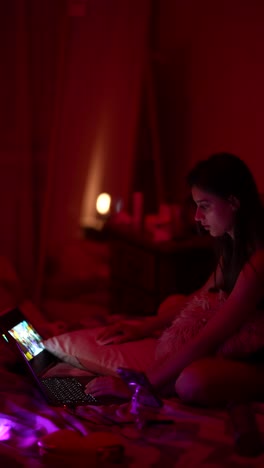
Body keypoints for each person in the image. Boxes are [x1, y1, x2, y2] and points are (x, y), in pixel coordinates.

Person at [85, 153, 264, 406]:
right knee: (173, 304)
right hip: (235, 339)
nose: (197, 218)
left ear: (233, 202)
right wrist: (144, 326)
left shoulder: (258, 261)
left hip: (258, 360)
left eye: (205, 206)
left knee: (191, 382)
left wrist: (140, 385)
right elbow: (202, 296)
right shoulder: (233, 244)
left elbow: (209, 337)